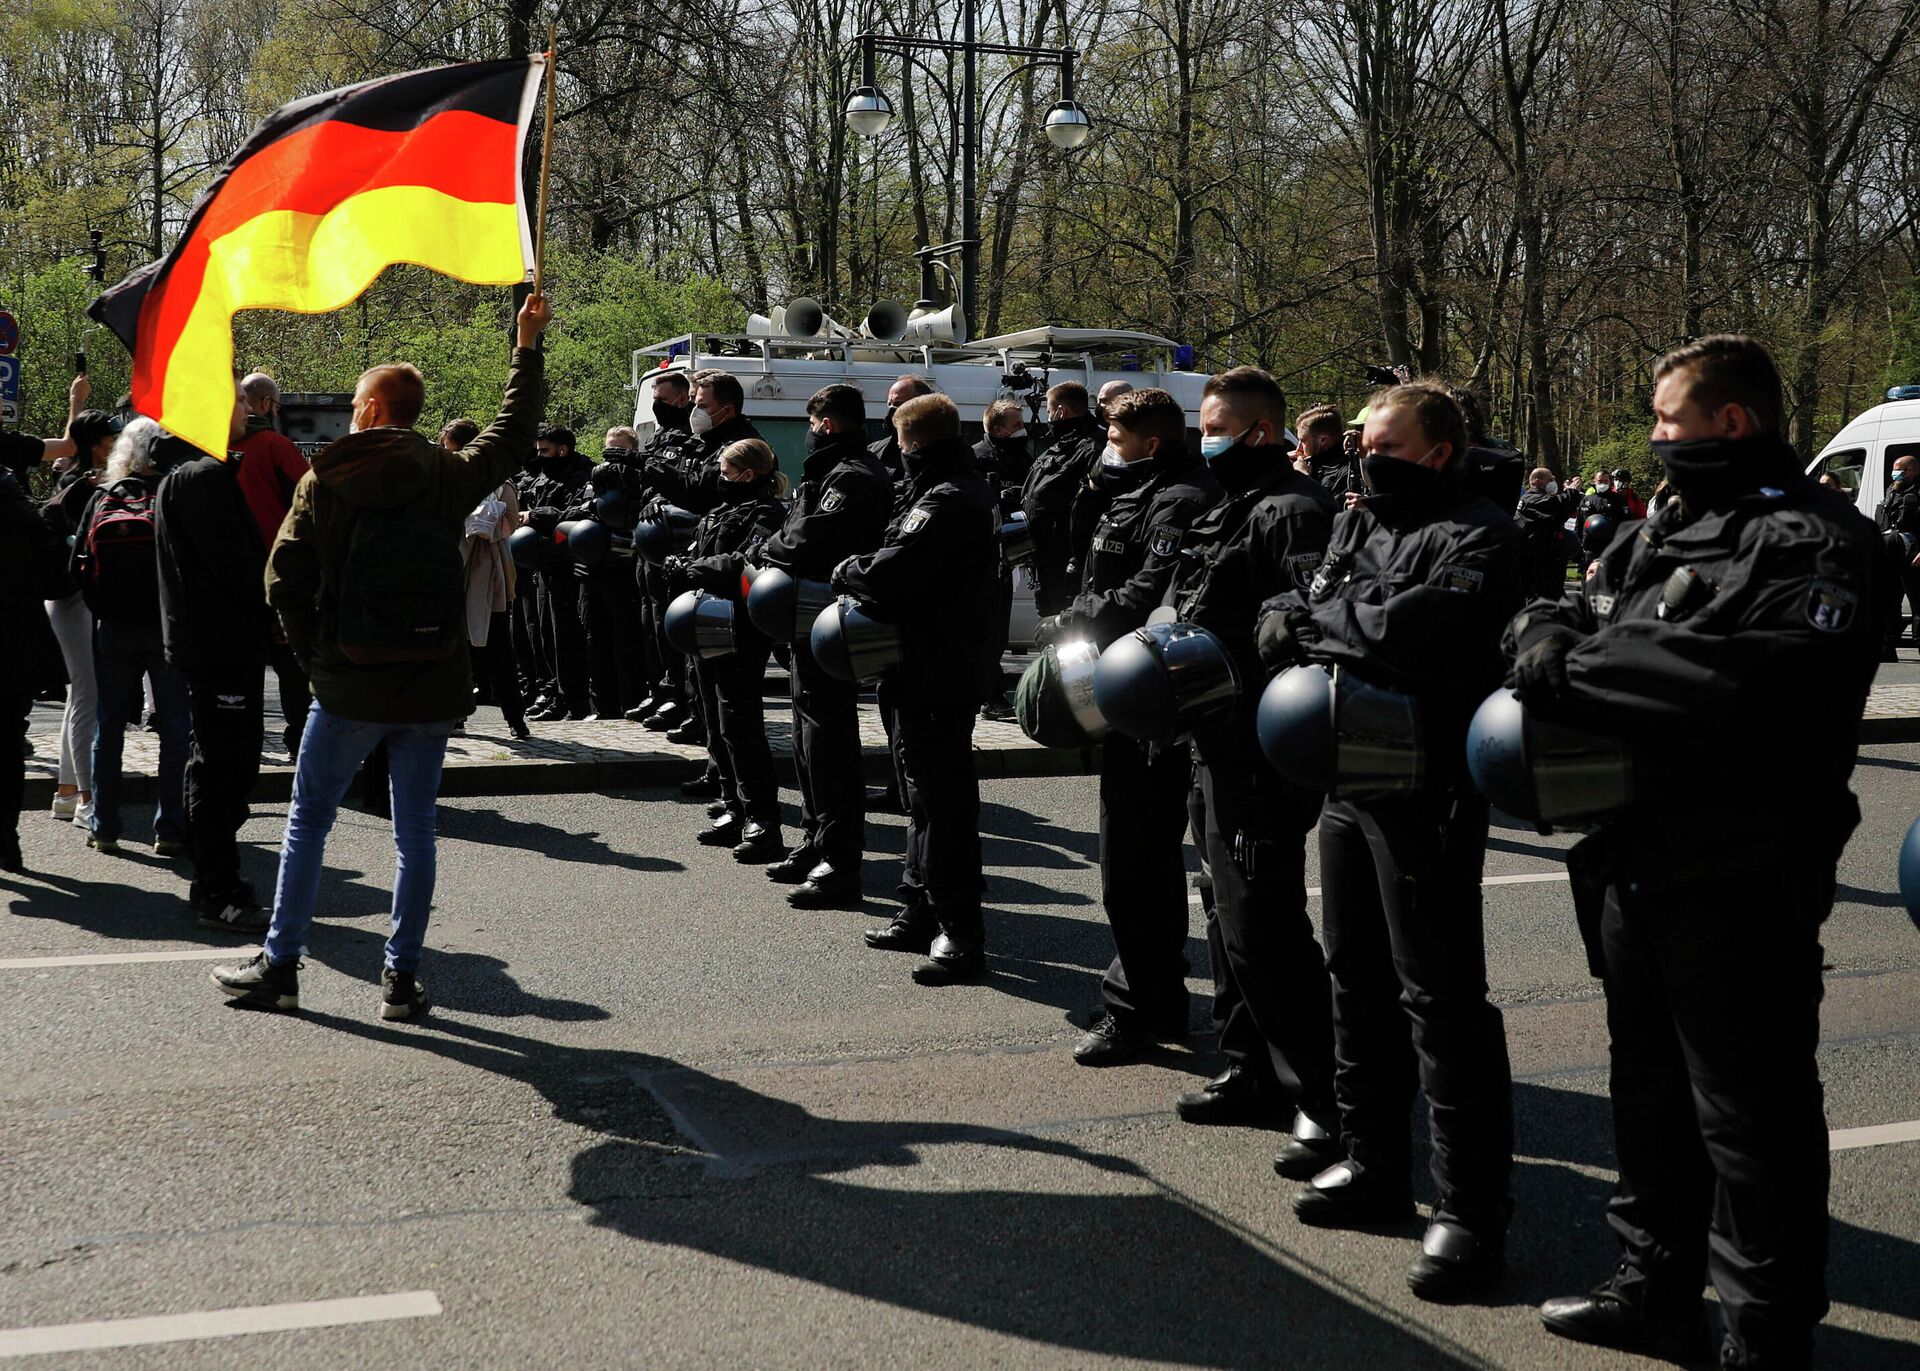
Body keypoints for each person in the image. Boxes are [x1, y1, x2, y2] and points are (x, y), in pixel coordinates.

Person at [1514, 337, 1882, 1369]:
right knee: (1649, 1093)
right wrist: (1549, 627)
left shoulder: (1814, 540)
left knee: (1748, 1117)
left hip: (1742, 868)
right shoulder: (1674, 527)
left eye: (1668, 419)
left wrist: (1570, 668)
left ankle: (1765, 1334)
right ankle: (1653, 1287)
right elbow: (1585, 607)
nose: (1655, 438)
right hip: (1637, 849)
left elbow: (1739, 683)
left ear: (1731, 422)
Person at [208, 292, 551, 1019]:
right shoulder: (446, 472)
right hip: (432, 681)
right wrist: (526, 343)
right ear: (414, 412)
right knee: (415, 831)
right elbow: (515, 430)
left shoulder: (323, 478)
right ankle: (400, 978)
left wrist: (316, 660)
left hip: (349, 683)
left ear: (367, 409)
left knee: (308, 821)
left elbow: (283, 579)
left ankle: (282, 965)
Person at [1259, 381, 1523, 1301]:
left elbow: (1416, 632)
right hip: (1346, 779)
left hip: (1426, 785)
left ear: (1441, 449)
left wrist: (1319, 625)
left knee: (1441, 1001)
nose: (1365, 456)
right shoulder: (1358, 518)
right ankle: (1374, 1158)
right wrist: (1297, 620)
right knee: (1353, 974)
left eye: (1386, 443)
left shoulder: (1484, 530)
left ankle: (1470, 1211)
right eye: (1362, 440)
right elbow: (1309, 600)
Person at [1162, 367, 1340, 1156]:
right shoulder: (1228, 506)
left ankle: (1320, 1092)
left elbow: (1314, 627)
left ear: (1260, 432)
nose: (1206, 438)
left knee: (1264, 921)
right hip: (1211, 741)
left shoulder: (1296, 512)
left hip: (1261, 750)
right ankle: (1250, 1067)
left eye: (1215, 424)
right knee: (1226, 912)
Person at [1033, 388, 1222, 1064]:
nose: (1103, 441)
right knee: (1138, 864)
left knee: (1136, 864)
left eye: (1113, 432)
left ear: (1149, 441)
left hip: (1157, 706)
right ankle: (1154, 998)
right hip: (1132, 696)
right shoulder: (1141, 490)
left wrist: (1073, 619)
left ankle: (1142, 1010)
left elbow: (1145, 593)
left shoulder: (1182, 499)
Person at [838, 393, 996, 983]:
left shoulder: (948, 498)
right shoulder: (945, 488)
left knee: (943, 803)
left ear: (910, 442)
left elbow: (889, 572)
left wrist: (848, 569)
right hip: (921, 664)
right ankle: (920, 908)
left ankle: (959, 932)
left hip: (940, 667)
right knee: (919, 798)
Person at [757, 383, 891, 907]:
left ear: (827, 424)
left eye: (812, 424)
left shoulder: (852, 476)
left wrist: (769, 547)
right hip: (805, 620)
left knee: (830, 745)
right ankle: (815, 840)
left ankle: (840, 858)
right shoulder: (828, 473)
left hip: (829, 618)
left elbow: (804, 540)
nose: (809, 432)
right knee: (807, 739)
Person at [153, 376, 274, 932]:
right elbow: (237, 571)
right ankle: (217, 889)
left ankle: (216, 882)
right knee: (223, 770)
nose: (247, 408)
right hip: (222, 645)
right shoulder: (201, 479)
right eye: (237, 400)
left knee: (222, 765)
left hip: (215, 644)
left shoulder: (194, 474)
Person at [69, 419, 194, 857]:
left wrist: (104, 608)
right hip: (166, 630)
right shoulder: (174, 496)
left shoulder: (104, 497)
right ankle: (171, 829)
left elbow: (76, 567)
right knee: (176, 729)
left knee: (109, 727)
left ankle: (105, 825)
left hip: (114, 630)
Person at [666, 438, 789, 861]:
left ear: (747, 474)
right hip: (703, 624)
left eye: (724, 470)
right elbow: (700, 550)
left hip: (740, 629)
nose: (719, 477)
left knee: (740, 725)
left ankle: (763, 820)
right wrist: (679, 560)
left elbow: (745, 559)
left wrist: (694, 568)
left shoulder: (768, 513)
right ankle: (733, 806)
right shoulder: (719, 511)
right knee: (712, 721)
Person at [41, 401, 122, 830]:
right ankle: (88, 801)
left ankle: (66, 792)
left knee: (80, 694)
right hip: (75, 599)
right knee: (88, 694)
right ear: (94, 446)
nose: (114, 446)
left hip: (64, 599)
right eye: (109, 441)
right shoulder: (85, 486)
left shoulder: (69, 478)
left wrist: (75, 402)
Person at [232, 371, 314, 751]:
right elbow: (310, 506)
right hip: (275, 571)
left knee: (241, 662)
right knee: (291, 662)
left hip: (231, 574)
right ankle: (299, 738)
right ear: (265, 404)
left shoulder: (215, 447)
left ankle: (244, 740)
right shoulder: (275, 447)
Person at [1, 466, 69, 874]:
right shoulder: (23, 517)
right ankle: (8, 840)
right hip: (15, 648)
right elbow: (55, 584)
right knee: (9, 745)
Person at [451, 418, 528, 741]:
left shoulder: (500, 483)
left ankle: (515, 717)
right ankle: (456, 713)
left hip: (489, 573)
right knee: (455, 649)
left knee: (497, 648)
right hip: (453, 570)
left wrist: (484, 526)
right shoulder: (448, 480)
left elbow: (510, 522)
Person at [522, 426, 595, 721]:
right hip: (543, 565)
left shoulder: (582, 476)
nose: (540, 457)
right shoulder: (544, 476)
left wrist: (535, 516)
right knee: (544, 636)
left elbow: (575, 512)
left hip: (568, 567)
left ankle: (573, 700)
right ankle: (554, 691)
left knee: (566, 637)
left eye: (545, 451)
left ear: (562, 450)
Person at [1020, 382, 1103, 615]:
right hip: (1045, 562)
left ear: (1061, 411)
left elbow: (1090, 509)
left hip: (1069, 565)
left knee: (1068, 636)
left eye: (1048, 411)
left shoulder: (1091, 448)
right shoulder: (1062, 446)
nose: (1048, 418)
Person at [972, 399, 1032, 719]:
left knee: (999, 634)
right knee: (986, 632)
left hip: (1010, 557)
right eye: (1016, 424)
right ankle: (990, 697)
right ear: (997, 429)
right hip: (983, 559)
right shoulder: (976, 458)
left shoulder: (1022, 459)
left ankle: (991, 695)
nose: (1022, 430)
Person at [1874, 453, 1920, 652]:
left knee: (1918, 602)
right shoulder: (1892, 490)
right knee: (1890, 600)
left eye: (1899, 470)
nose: (1895, 474)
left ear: (1911, 471)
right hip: (1891, 553)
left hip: (1913, 556)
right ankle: (1888, 647)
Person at [1515, 466, 1581, 603]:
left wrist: (1570, 494)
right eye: (1550, 480)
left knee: (1554, 597)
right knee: (1541, 599)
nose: (1553, 483)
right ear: (1538, 481)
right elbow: (1556, 504)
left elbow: (1559, 514)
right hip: (1538, 561)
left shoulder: (1539, 500)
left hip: (1549, 559)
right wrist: (1572, 491)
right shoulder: (1531, 500)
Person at [872, 374, 935, 487]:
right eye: (889, 404)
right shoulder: (875, 451)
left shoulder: (941, 453)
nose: (892, 410)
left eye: (898, 404)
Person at [1296, 403, 1358, 498]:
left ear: (1323, 440)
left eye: (1303, 441)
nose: (1298, 448)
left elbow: (1330, 510)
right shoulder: (1313, 465)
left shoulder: (1346, 472)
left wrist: (1304, 478)